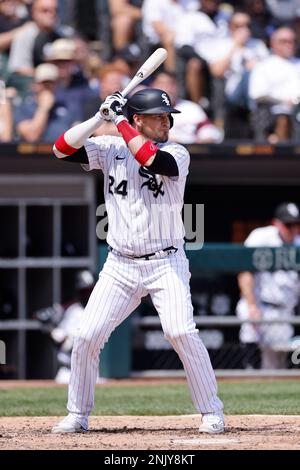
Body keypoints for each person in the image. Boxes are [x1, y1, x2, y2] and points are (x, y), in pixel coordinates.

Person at [51, 87, 224, 434]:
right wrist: (99, 118)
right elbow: (61, 149)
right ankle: (77, 414)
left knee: (180, 332)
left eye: (167, 117)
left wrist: (119, 121)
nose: (166, 123)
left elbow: (151, 160)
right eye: (158, 117)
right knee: (86, 335)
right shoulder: (110, 148)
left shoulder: (177, 151)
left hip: (166, 262)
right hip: (120, 265)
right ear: (138, 119)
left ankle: (211, 411)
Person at [236, 202, 300, 369]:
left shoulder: (298, 243)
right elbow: (245, 271)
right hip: (259, 304)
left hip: (284, 310)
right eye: (288, 225)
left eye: (296, 224)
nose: (293, 229)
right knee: (251, 343)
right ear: (276, 223)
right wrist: (251, 305)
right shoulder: (262, 237)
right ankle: (247, 378)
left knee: (275, 365)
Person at [36, 270, 95, 383]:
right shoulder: (73, 311)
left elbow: (62, 341)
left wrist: (50, 329)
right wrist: (49, 328)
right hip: (68, 373)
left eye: (91, 291)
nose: (88, 295)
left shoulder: (99, 312)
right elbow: (62, 343)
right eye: (85, 291)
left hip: (92, 372)